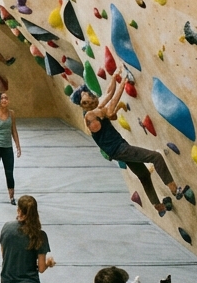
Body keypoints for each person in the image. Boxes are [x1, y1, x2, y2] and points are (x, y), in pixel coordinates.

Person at [72, 77, 188, 215]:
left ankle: (159, 207)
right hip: (120, 149)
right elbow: (110, 108)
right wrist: (122, 83)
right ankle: (175, 190)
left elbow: (109, 94)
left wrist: (116, 76)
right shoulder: (90, 115)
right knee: (156, 157)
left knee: (144, 174)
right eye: (86, 93)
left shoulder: (92, 112)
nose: (90, 93)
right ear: (83, 102)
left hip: (118, 149)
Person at [0, 92, 22, 206]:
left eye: (6, 98)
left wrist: (18, 146)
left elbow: (14, 130)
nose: (5, 100)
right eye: (2, 98)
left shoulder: (12, 114)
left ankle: (12, 197)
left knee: (10, 173)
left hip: (7, 148)